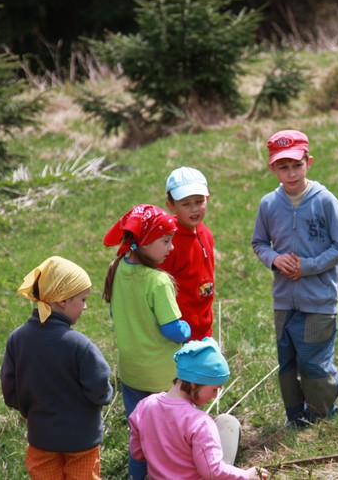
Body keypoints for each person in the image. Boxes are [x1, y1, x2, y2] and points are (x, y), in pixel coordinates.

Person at [251, 129, 338, 427]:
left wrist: (307, 266)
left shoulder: (325, 200)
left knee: (313, 362)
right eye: (283, 167)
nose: (291, 173)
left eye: (297, 165)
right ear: (273, 168)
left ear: (309, 161)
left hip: (319, 299)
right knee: (288, 363)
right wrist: (274, 259)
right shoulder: (268, 204)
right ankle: (295, 417)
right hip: (284, 300)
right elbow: (259, 243)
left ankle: (323, 412)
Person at [0, 256, 113, 480]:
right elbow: (100, 388)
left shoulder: (17, 339)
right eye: (82, 299)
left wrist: (30, 411)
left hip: (41, 438)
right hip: (82, 441)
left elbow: (10, 389)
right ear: (62, 300)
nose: (85, 306)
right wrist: (103, 397)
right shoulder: (79, 345)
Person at [102, 203, 192, 480]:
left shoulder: (117, 268)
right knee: (168, 435)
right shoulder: (159, 281)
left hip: (130, 373)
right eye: (165, 241)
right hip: (161, 378)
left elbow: (116, 312)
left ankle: (137, 476)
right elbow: (172, 331)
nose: (171, 247)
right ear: (144, 242)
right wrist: (187, 328)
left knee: (139, 433)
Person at [129, 338, 268, 480]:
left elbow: (137, 453)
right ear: (194, 384)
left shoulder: (144, 406)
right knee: (228, 422)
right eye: (214, 389)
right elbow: (212, 471)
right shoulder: (200, 423)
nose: (215, 396)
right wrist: (246, 475)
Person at [160, 167, 216, 340]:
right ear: (171, 206)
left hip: (204, 329)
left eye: (199, 201)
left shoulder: (206, 233)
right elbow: (159, 286)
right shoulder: (168, 242)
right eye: (185, 204)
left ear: (207, 198)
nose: (194, 209)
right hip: (179, 332)